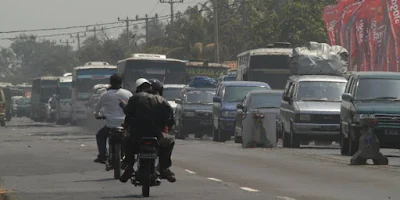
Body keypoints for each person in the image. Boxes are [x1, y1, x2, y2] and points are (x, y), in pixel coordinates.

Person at [120, 78, 176, 183]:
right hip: (156, 135)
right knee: (170, 140)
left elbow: (128, 113)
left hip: (136, 136)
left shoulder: (135, 98)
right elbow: (170, 120)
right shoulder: (162, 101)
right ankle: (164, 168)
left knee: (125, 139)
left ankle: (129, 165)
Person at [93, 74, 133, 164]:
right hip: (124, 125)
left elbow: (96, 109)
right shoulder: (128, 93)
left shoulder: (105, 95)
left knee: (100, 136)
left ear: (111, 83)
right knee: (130, 139)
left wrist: (98, 115)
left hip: (110, 125)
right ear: (121, 83)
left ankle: (102, 156)